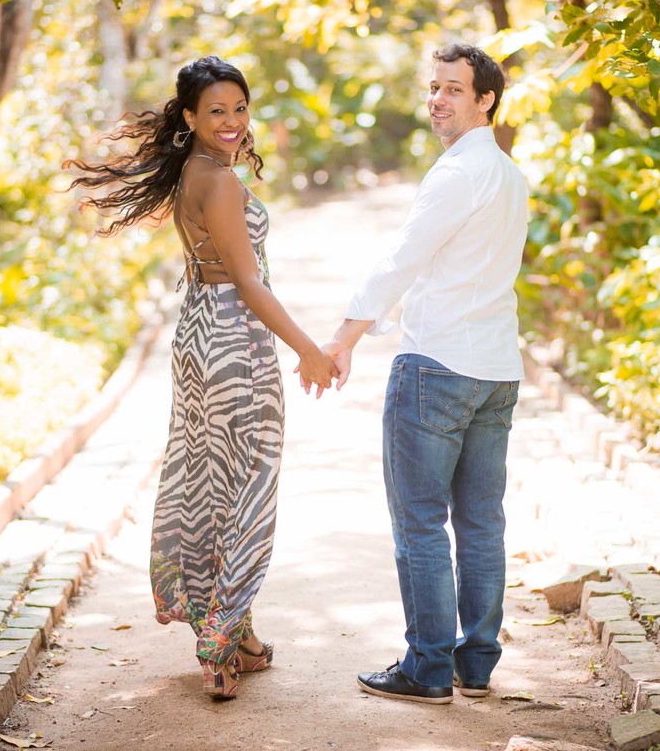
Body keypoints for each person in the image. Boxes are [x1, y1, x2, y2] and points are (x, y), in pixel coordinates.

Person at [68, 56, 339, 700]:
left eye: (239, 109)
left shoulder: (195, 171)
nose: (231, 121)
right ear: (189, 117)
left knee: (212, 484)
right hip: (234, 344)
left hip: (196, 338)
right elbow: (247, 282)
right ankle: (218, 644)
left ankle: (239, 638)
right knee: (248, 488)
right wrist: (308, 350)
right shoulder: (221, 183)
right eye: (216, 111)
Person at [317, 43, 529, 705]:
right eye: (433, 88)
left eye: (453, 89)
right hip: (496, 371)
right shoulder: (511, 176)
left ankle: (429, 666)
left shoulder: (455, 174)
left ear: (486, 98)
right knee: (481, 522)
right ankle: (476, 663)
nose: (437, 99)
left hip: (436, 365)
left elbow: (402, 258)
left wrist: (345, 334)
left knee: (419, 523)